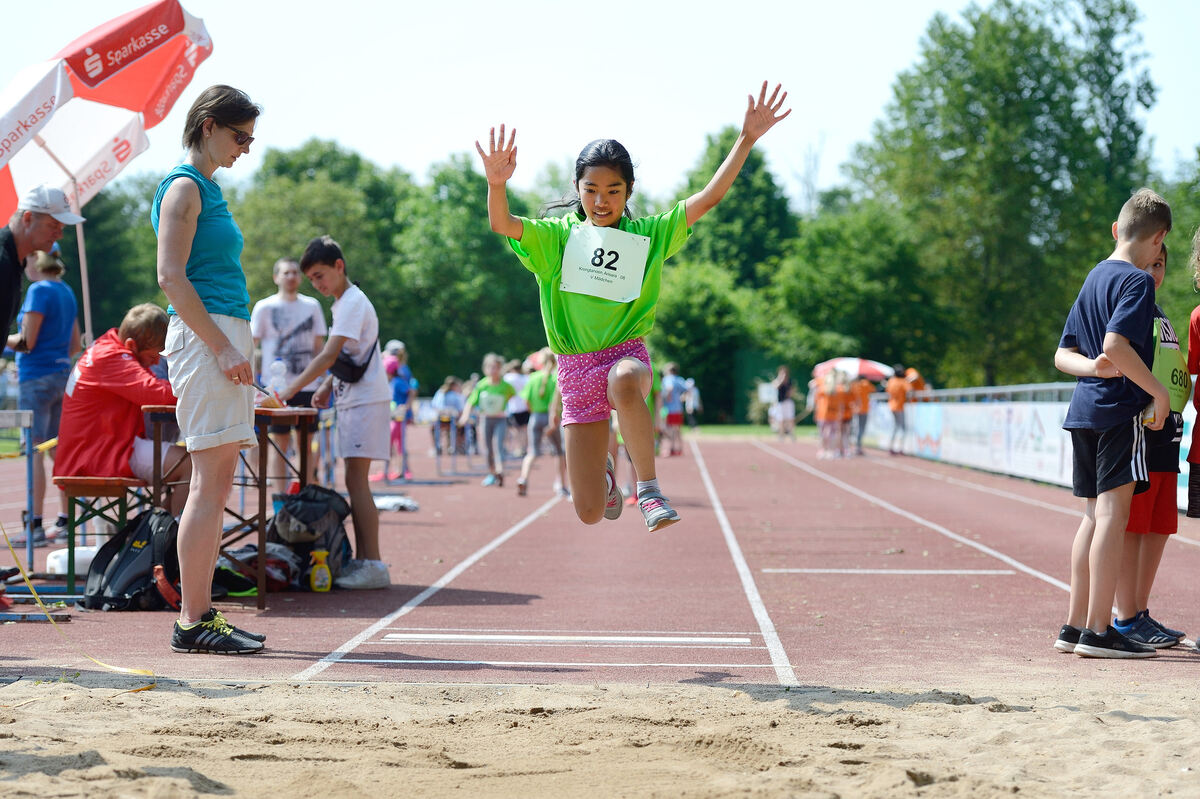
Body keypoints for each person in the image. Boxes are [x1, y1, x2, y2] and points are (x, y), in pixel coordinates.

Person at [477, 82, 790, 531]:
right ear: (577, 188)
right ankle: (605, 475)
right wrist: (496, 183)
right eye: (592, 190)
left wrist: (746, 139)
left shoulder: (648, 235)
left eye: (613, 190)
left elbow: (708, 198)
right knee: (588, 513)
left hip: (625, 356)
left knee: (623, 380)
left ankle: (648, 489)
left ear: (628, 191)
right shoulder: (558, 238)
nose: (601, 201)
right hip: (574, 368)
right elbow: (501, 222)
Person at [153, 84, 264, 655]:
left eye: (250, 138)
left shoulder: (208, 189)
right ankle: (193, 619)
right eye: (239, 135)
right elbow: (170, 277)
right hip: (205, 339)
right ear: (207, 125)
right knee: (207, 481)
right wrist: (222, 347)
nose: (246, 147)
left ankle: (200, 615)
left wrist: (232, 344)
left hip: (220, 334)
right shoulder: (183, 187)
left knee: (217, 481)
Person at [1052, 187, 1171, 659]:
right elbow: (1117, 345)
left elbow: (1064, 355)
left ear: (1117, 229)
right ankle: (1099, 632)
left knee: (1089, 519)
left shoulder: (1093, 275)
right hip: (1120, 411)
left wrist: (1094, 368)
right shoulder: (1138, 281)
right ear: (1158, 239)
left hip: (1084, 409)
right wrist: (1157, 391)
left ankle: (1075, 624)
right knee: (1111, 518)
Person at [280, 235, 392, 590]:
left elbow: (328, 355)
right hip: (354, 398)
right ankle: (365, 560)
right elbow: (348, 356)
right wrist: (328, 385)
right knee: (353, 480)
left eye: (320, 275)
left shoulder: (351, 302)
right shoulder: (343, 303)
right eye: (311, 279)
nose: (317, 284)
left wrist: (288, 391)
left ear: (339, 266)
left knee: (356, 481)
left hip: (364, 400)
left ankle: (372, 563)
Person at [54, 304, 191, 515]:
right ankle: (172, 542)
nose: (156, 363)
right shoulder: (111, 357)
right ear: (131, 344)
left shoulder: (107, 348)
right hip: (97, 454)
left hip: (99, 446)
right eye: (154, 356)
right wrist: (202, 390)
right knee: (192, 466)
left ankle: (155, 534)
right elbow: (157, 393)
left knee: (195, 465)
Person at [4, 247, 80, 545]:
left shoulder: (38, 290)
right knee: (57, 449)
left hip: (35, 377)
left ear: (34, 260)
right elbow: (74, 345)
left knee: (33, 450)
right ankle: (64, 521)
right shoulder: (67, 291)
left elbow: (27, 342)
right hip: (62, 375)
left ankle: (34, 525)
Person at [250, 257, 327, 489]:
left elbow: (318, 347)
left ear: (300, 277)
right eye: (286, 273)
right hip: (276, 388)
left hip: (308, 385)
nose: (291, 276)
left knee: (306, 441)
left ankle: (305, 494)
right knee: (279, 441)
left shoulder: (312, 305)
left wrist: (322, 380)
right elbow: (251, 347)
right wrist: (254, 383)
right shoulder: (264, 307)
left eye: (295, 272)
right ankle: (280, 499)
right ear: (276, 277)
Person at [1, 185, 82, 341]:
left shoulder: (14, 261)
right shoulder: (3, 260)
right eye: (53, 225)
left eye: (62, 227)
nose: (60, 235)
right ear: (28, 218)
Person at [516, 348, 568, 497]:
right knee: (559, 452)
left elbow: (526, 400)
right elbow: (558, 401)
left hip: (535, 417)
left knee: (532, 452)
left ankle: (523, 478)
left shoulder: (533, 378)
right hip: (552, 418)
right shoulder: (556, 377)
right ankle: (560, 484)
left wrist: (533, 412)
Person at [459, 352, 515, 486]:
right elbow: (471, 402)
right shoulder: (482, 385)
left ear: (500, 368)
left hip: (500, 420)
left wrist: (506, 408)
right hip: (486, 419)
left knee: (499, 445)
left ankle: (500, 470)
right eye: (490, 367)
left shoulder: (505, 386)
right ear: (485, 369)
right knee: (488, 448)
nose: (493, 370)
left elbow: (513, 395)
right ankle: (491, 473)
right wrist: (465, 415)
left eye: (495, 367)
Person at [383, 340, 417, 481]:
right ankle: (398, 469)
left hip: (399, 415)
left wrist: (407, 407)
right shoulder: (397, 375)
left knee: (397, 442)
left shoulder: (400, 375)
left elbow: (412, 389)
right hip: (393, 414)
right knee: (394, 442)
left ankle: (402, 469)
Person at [430, 375, 465, 455]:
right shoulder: (456, 395)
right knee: (459, 428)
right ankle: (454, 447)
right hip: (452, 420)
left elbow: (434, 406)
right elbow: (460, 410)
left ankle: (437, 447)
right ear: (453, 385)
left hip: (440, 420)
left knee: (434, 429)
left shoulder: (439, 393)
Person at [660, 362, 686, 456]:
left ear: (670, 371)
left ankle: (670, 448)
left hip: (669, 409)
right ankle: (679, 448)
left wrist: (667, 397)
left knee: (669, 428)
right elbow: (686, 389)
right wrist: (682, 397)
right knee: (678, 429)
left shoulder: (668, 379)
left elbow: (669, 388)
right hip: (678, 408)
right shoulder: (679, 379)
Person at [885, 365, 909, 455]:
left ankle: (891, 446)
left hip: (891, 405)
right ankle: (900, 448)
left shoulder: (891, 381)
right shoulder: (903, 381)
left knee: (895, 427)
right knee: (902, 427)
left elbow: (887, 390)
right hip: (899, 406)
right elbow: (910, 390)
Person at [849, 375, 874, 455]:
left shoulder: (853, 385)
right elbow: (873, 389)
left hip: (855, 409)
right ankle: (858, 446)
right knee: (861, 428)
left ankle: (854, 446)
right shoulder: (865, 384)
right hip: (863, 409)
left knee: (855, 428)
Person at [772, 366, 795, 441]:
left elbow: (791, 391)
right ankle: (781, 435)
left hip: (788, 402)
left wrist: (790, 392)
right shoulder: (777, 380)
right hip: (780, 403)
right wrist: (781, 380)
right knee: (780, 419)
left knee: (790, 419)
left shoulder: (789, 381)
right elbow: (775, 386)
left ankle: (791, 434)